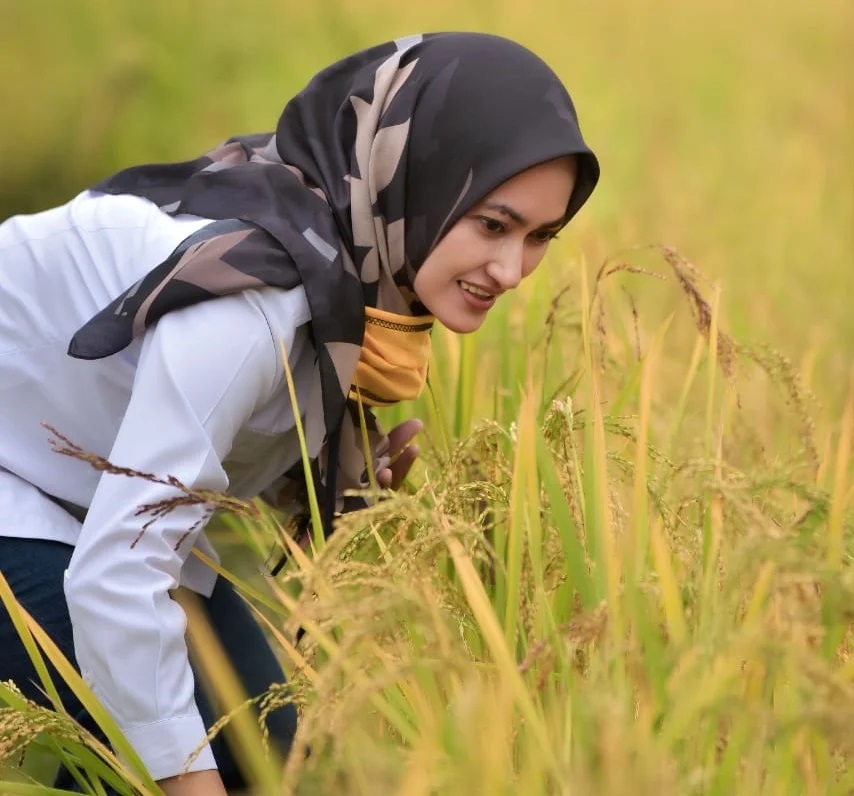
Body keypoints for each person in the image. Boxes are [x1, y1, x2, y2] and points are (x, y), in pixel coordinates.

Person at [0, 31, 599, 795]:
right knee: (165, 755)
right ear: (419, 177)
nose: (513, 270)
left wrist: (309, 468)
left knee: (272, 755)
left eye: (541, 237)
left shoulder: (352, 254)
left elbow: (179, 435)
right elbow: (117, 573)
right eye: (492, 224)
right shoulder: (257, 300)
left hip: (74, 486)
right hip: (28, 492)